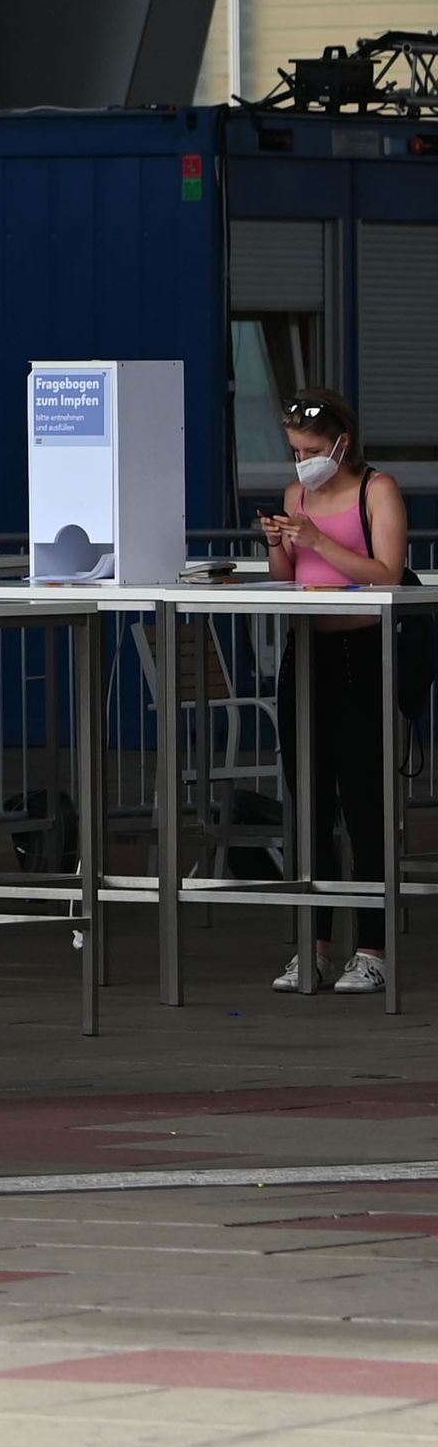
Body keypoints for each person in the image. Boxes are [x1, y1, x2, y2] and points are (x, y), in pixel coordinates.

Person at [262, 389, 406, 994]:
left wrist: (321, 541)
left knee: (363, 800)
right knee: (309, 801)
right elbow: (288, 577)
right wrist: (279, 542)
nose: (304, 463)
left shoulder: (377, 489)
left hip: (361, 650)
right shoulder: (297, 495)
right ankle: (313, 944)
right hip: (308, 648)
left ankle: (372, 946)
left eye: (313, 450)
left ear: (342, 443)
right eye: (296, 451)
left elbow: (388, 574)